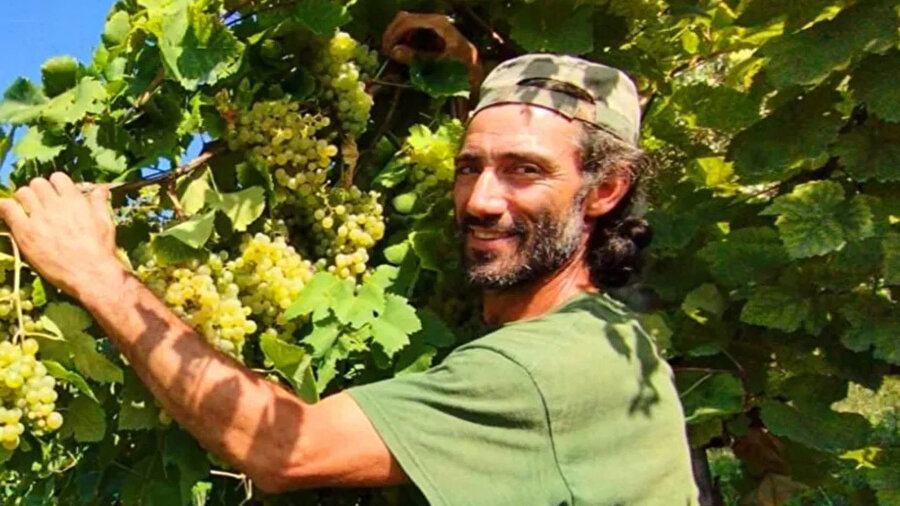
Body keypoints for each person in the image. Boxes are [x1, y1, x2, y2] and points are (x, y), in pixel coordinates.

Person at [0, 15, 699, 506]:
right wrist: (459, 64)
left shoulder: (548, 368)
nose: (481, 200)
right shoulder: (603, 338)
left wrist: (97, 273)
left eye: (525, 170)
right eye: (468, 166)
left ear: (606, 190)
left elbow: (286, 449)